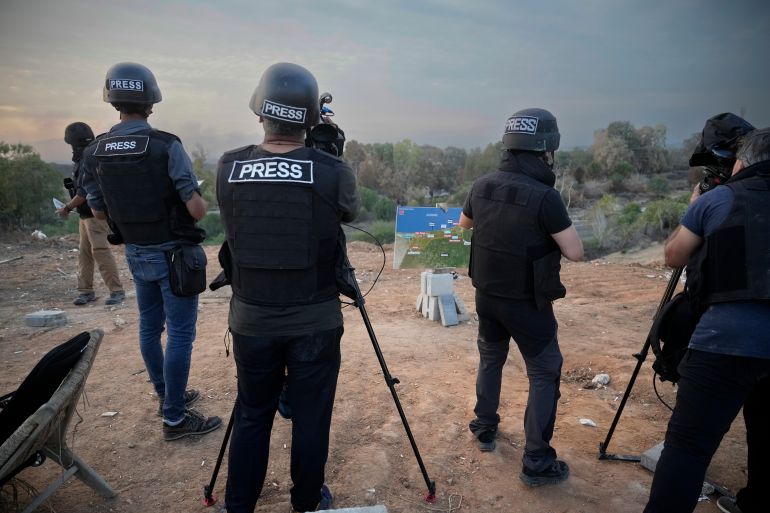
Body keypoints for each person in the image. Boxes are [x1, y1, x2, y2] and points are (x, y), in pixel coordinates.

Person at [216, 62, 359, 513]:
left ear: (260, 114)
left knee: (253, 414)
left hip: (251, 320)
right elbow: (348, 214)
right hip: (314, 321)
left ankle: (239, 505)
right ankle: (306, 502)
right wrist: (330, 154)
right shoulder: (330, 170)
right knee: (311, 417)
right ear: (312, 121)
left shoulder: (228, 166)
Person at [81, 62, 221, 441]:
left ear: (114, 100)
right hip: (174, 255)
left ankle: (167, 396)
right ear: (151, 101)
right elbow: (195, 209)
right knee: (178, 334)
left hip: (137, 253)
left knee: (149, 327)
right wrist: (197, 198)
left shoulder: (94, 151)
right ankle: (174, 418)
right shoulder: (166, 145)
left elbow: (96, 210)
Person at [644, 127, 770, 513]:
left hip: (724, 342)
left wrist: (695, 206)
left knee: (688, 447)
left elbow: (675, 255)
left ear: (742, 161)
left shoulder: (720, 199)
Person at [459, 108, 583, 487]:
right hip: (527, 303)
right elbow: (575, 251)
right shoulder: (546, 196)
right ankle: (537, 461)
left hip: (487, 296)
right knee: (545, 371)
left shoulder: (481, 185)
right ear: (546, 149)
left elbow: (464, 227)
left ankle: (484, 427)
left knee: (491, 358)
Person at [57, 122, 125, 306]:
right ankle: (86, 291)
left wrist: (67, 208)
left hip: (96, 215)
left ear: (72, 143)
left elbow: (83, 193)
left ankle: (116, 291)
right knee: (84, 254)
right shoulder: (91, 156)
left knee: (100, 251)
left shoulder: (87, 159)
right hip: (86, 215)